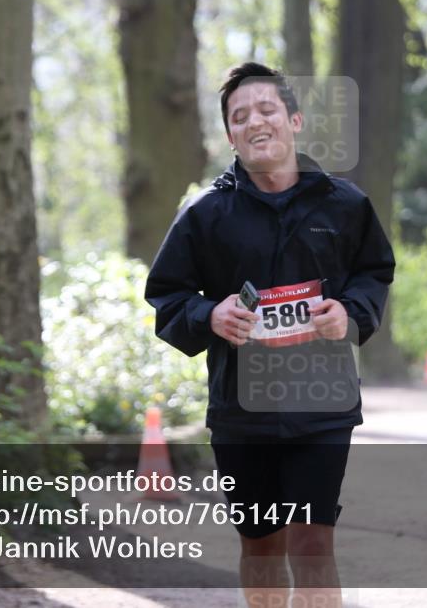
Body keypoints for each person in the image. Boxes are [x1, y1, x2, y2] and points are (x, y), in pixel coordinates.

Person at [145, 62, 394, 607]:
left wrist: (348, 313)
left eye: (266, 109)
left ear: (294, 120)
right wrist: (209, 315)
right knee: (260, 545)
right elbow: (166, 294)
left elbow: (374, 273)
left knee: (312, 543)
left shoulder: (344, 205)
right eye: (240, 117)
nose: (254, 122)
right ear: (230, 136)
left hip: (321, 403)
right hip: (241, 410)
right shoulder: (205, 214)